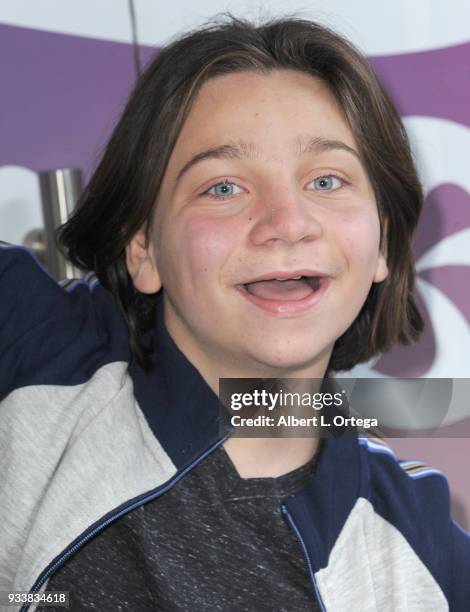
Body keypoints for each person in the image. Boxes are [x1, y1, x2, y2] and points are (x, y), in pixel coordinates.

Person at [1, 14, 469, 612]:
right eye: (223, 187)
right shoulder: (30, 350)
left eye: (327, 180)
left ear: (382, 242)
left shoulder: (427, 558)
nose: (287, 223)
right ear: (143, 247)